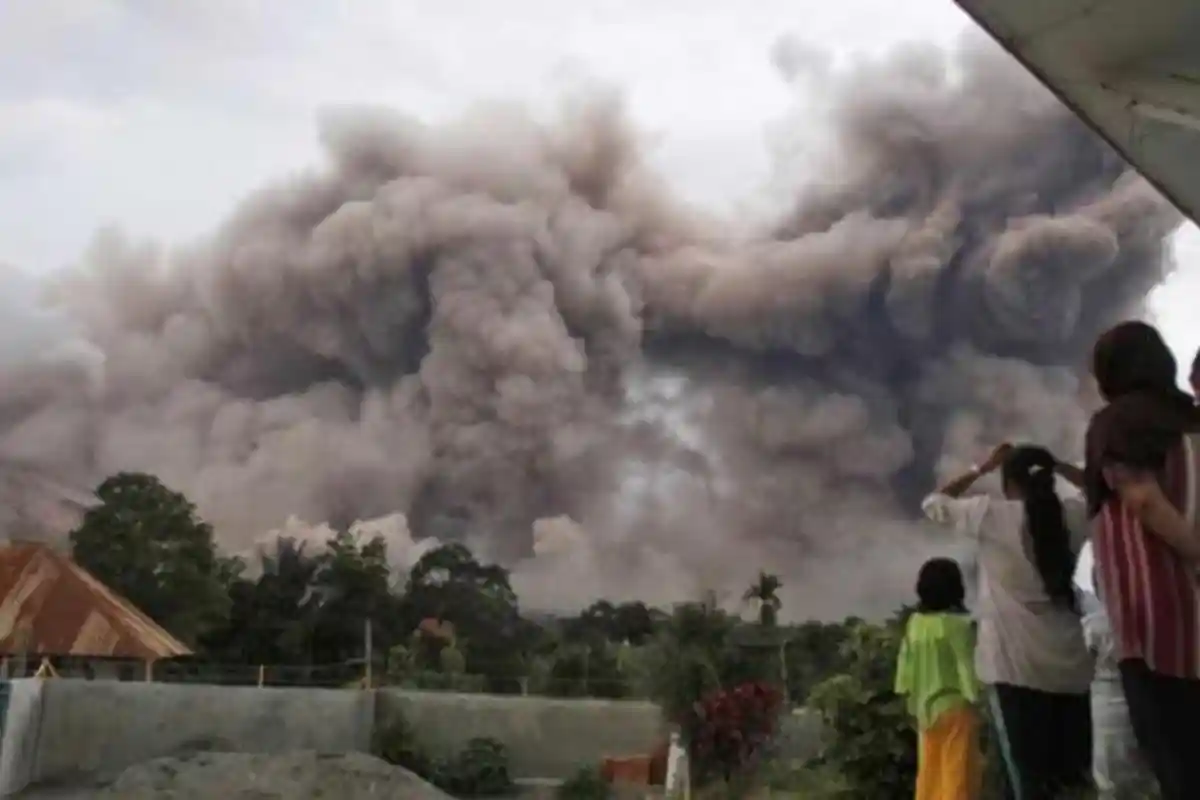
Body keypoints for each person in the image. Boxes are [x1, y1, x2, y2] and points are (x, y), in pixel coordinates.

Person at [923, 443, 1092, 800]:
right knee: (1074, 780)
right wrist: (1057, 464)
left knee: (1028, 783)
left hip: (1015, 668)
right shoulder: (1076, 514)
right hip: (1074, 668)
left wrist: (980, 468)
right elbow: (1099, 490)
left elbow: (933, 503)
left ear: (1007, 483)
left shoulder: (989, 515)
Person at [1085, 320, 1200, 799]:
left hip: (1157, 628)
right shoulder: (1189, 420)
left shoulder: (1116, 424)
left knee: (1181, 768)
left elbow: (1142, 499)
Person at [895, 557, 981, 800]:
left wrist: (908, 700)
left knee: (929, 773)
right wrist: (977, 698)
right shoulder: (959, 625)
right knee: (958, 772)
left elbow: (905, 667)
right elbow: (967, 667)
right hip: (955, 707)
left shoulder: (915, 624)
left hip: (923, 709)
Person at [1073, 540, 1151, 799]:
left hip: (1106, 705)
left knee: (1112, 779)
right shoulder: (1146, 620)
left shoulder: (1093, 626)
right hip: (1143, 700)